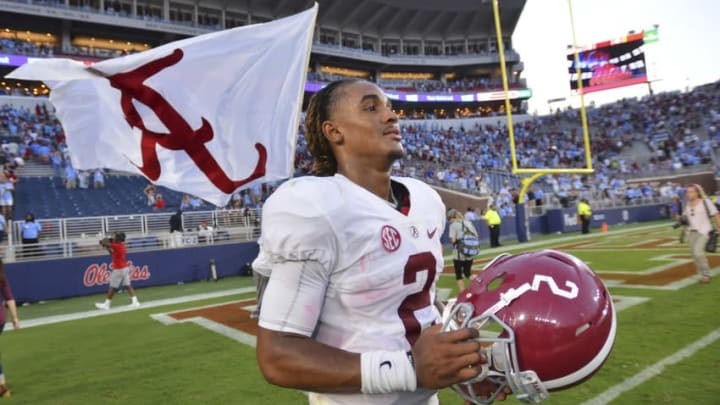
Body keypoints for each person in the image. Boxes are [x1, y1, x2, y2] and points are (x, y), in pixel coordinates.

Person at [256, 80, 499, 404]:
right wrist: (407, 369)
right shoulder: (316, 206)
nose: (391, 116)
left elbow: (419, 304)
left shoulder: (425, 200)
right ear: (334, 131)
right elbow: (278, 355)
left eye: (389, 107)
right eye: (371, 108)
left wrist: (462, 367)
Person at [682, 184, 720, 284]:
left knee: (698, 252)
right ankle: (702, 274)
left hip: (704, 231)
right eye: (687, 192)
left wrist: (719, 227)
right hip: (691, 233)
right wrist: (681, 222)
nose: (688, 194)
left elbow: (716, 214)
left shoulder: (705, 202)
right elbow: (685, 218)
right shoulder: (687, 204)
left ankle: (706, 274)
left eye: (691, 191)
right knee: (694, 255)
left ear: (697, 192)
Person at [95, 232, 140, 309]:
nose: (113, 237)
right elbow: (112, 253)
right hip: (124, 268)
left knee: (112, 287)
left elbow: (107, 243)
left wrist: (103, 241)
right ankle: (135, 301)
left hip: (118, 269)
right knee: (128, 286)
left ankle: (107, 304)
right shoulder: (120, 246)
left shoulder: (117, 246)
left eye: (115, 236)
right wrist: (106, 245)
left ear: (118, 239)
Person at [0, 258, 19, 398]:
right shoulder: (1, 276)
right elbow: (9, 298)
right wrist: (15, 318)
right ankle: (2, 386)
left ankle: (3, 387)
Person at [448, 208, 479, 292]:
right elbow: (476, 236)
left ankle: (462, 292)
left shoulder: (453, 225)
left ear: (452, 217)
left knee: (459, 274)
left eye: (449, 219)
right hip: (470, 251)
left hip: (459, 253)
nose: (449, 221)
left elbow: (453, 240)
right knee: (468, 273)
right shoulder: (468, 223)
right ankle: (479, 281)